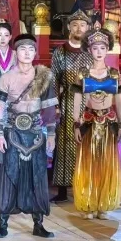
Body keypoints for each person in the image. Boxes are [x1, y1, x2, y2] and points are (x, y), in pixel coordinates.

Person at [0, 31, 58, 238]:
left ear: (35, 53)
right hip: (12, 133)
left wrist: (51, 134)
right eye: (22, 49)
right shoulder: (6, 77)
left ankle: (38, 224)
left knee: (37, 178)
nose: (27, 53)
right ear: (16, 52)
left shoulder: (44, 76)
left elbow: (49, 108)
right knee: (8, 176)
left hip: (36, 134)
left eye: (31, 49)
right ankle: (3, 224)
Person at [73, 24, 121, 219]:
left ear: (107, 49)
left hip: (109, 122)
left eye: (103, 48)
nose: (99, 51)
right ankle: (88, 204)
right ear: (89, 49)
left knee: (106, 163)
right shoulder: (83, 73)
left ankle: (103, 205)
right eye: (95, 48)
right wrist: (76, 123)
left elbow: (118, 100)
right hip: (89, 122)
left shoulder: (114, 73)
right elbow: (77, 99)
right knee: (88, 163)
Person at [50, 11, 91, 202]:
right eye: (75, 25)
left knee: (86, 144)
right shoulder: (60, 52)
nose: (78, 28)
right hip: (67, 101)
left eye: (82, 25)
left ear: (88, 28)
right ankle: (62, 189)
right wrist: (55, 105)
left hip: (89, 103)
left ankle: (84, 187)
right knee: (64, 144)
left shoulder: (92, 51)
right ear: (68, 27)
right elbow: (54, 81)